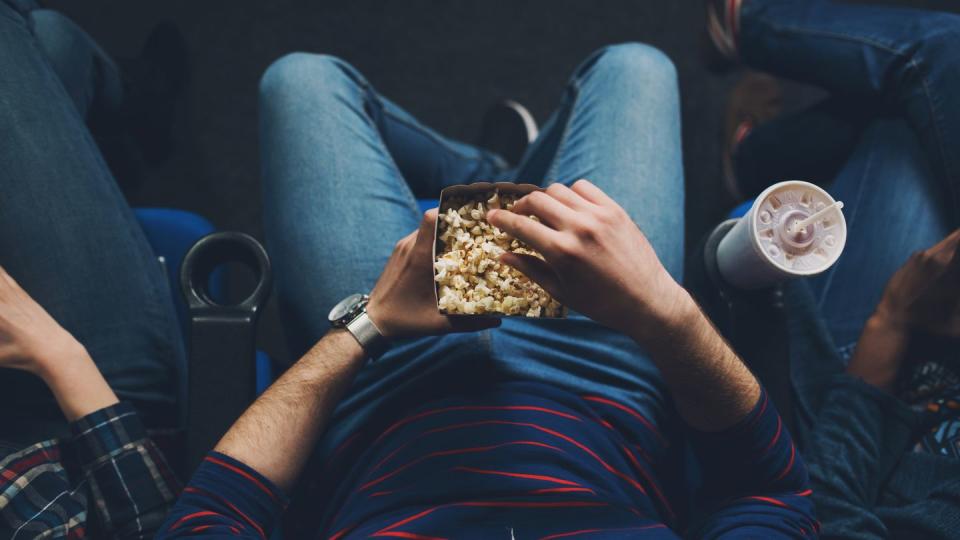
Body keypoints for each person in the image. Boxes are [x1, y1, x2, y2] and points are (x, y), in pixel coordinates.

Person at [158, 29, 819, 540]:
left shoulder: (375, 346)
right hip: (602, 375)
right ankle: (495, 171)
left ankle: (483, 173)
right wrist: (661, 309)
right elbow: (771, 494)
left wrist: (367, 326)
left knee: (302, 81)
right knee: (632, 66)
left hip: (384, 395)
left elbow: (208, 516)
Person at [706, 0, 960, 537]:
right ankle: (758, 156)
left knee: (932, 77)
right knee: (928, 101)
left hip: (862, 390)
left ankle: (750, 34)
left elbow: (829, 510)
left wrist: (892, 318)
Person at [0, 1, 186, 537]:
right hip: (87, 430)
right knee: (32, 39)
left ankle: (132, 119)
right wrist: (56, 355)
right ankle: (139, 114)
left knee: (52, 40)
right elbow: (155, 523)